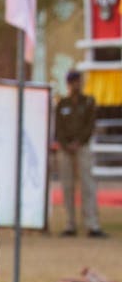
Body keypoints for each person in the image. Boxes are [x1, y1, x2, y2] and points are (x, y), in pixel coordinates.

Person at [54, 70, 106, 238]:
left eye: (79, 81)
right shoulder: (63, 104)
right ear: (69, 84)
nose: (77, 85)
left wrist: (79, 142)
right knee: (67, 186)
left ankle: (92, 224)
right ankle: (70, 223)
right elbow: (59, 127)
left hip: (83, 146)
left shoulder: (88, 102)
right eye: (74, 82)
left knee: (88, 185)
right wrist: (66, 144)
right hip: (65, 148)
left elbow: (90, 125)